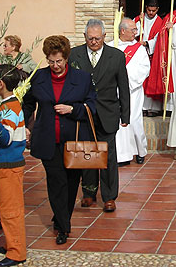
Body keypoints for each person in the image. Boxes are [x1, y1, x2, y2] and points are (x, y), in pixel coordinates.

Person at [22, 35, 97, 244]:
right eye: (51, 61)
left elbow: (93, 105)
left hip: (73, 139)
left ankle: (61, 216)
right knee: (56, 182)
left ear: (66, 58)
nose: (55, 65)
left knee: (72, 183)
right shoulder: (38, 77)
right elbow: (27, 103)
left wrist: (73, 109)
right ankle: (64, 227)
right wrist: (22, 125)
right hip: (47, 138)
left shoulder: (82, 78)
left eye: (59, 61)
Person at [69, 19, 130, 212]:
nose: (94, 42)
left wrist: (125, 115)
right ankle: (88, 193)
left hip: (108, 113)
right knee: (87, 153)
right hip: (84, 113)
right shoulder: (74, 55)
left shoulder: (117, 56)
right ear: (85, 36)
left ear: (104, 36)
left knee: (108, 156)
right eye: (90, 38)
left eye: (97, 38)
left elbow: (123, 87)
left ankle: (109, 196)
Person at [0, 65, 27, 267]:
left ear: (0, 84)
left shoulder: (9, 107)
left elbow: (6, 138)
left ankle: (16, 251)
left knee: (11, 209)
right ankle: (12, 243)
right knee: (6, 206)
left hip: (9, 163)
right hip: (5, 163)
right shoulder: (8, 104)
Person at [115, 18, 150, 166]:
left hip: (132, 91)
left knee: (133, 121)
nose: (137, 32)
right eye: (133, 30)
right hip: (114, 91)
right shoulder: (112, 46)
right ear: (123, 31)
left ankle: (140, 151)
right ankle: (121, 155)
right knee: (117, 123)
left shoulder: (140, 49)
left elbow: (144, 69)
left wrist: (125, 83)